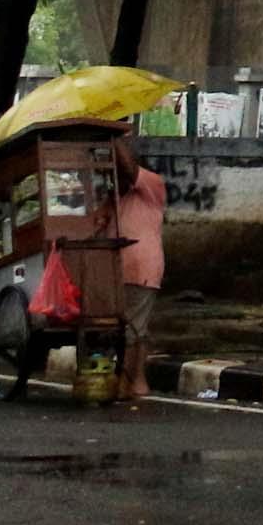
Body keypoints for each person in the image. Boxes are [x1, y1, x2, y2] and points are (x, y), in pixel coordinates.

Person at [110, 137, 167, 402]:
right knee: (136, 328)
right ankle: (138, 382)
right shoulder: (116, 199)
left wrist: (113, 136)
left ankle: (125, 381)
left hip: (141, 268)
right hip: (120, 271)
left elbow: (129, 168)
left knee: (131, 330)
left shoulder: (152, 185)